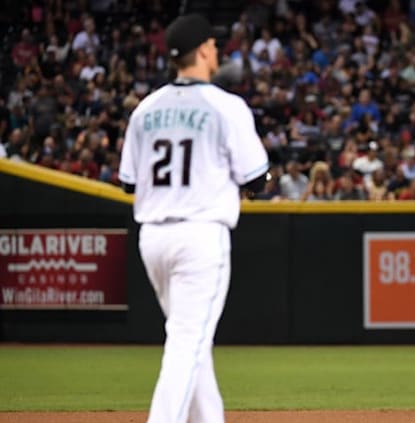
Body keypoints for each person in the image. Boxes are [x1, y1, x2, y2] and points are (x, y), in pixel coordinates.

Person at [118, 14, 269, 423]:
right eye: (214, 45)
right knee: (186, 343)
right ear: (203, 49)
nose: (217, 50)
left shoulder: (145, 109)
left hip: (153, 239)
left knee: (193, 344)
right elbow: (258, 179)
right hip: (200, 238)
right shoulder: (225, 105)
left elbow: (129, 183)